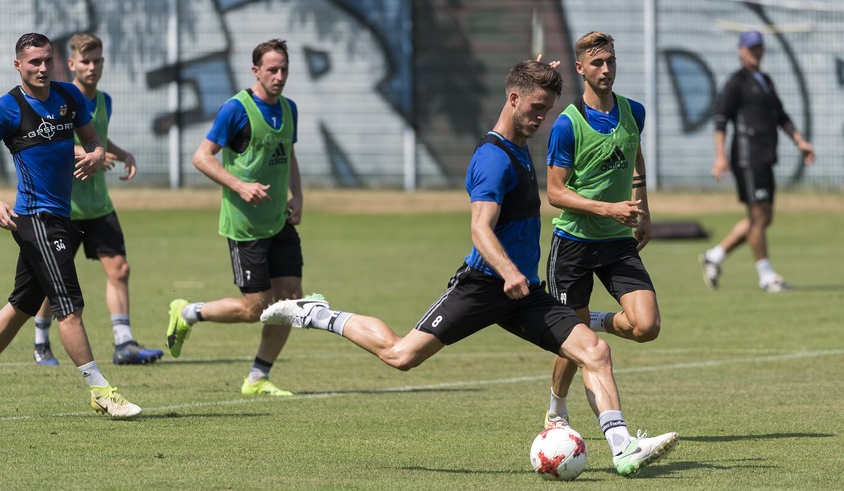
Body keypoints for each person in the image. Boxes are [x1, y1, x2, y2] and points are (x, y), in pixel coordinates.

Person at [261, 58, 678, 477]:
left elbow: (530, 87)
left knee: (595, 351)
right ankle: (318, 313)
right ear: (512, 99)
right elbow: (480, 229)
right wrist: (508, 271)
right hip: (481, 286)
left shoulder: (519, 142)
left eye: (547, 109)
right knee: (401, 355)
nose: (541, 117)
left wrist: (540, 72)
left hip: (524, 294)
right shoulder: (492, 158)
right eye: (535, 107)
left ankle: (623, 448)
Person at [0, 33, 141, 419]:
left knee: (23, 303)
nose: (43, 68)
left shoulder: (69, 98)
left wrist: (97, 156)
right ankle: (100, 390)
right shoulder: (5, 109)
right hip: (34, 218)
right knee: (69, 306)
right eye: (34, 62)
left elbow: (94, 141)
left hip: (61, 217)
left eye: (47, 60)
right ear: (19, 65)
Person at [165, 39, 305, 397]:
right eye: (272, 69)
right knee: (254, 308)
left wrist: (298, 195)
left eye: (284, 69)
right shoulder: (236, 109)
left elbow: (287, 152)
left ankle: (258, 377)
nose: (279, 76)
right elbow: (202, 157)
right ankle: (188, 313)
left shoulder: (289, 109)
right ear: (255, 70)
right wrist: (240, 186)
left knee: (290, 302)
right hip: (245, 227)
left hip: (279, 221)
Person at [542, 31, 660, 430]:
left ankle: (589, 318)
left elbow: (635, 154)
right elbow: (555, 194)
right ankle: (556, 408)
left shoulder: (634, 112)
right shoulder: (567, 125)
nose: (606, 69)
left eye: (610, 60)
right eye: (597, 63)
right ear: (580, 69)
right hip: (573, 243)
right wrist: (608, 207)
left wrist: (642, 208)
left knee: (647, 327)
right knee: (573, 345)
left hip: (616, 243)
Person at [32, 32, 164, 367]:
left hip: (99, 206)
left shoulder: (104, 100)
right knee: (53, 280)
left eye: (98, 60)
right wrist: (85, 153)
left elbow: (98, 136)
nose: (92, 67)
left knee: (120, 269)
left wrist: (121, 153)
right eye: (85, 61)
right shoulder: (59, 98)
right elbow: (50, 141)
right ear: (72, 64)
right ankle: (40, 341)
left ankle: (124, 344)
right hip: (64, 205)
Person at [699, 29, 815, 292]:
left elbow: (781, 115)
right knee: (757, 217)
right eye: (751, 47)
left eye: (759, 47)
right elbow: (720, 120)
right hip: (747, 158)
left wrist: (800, 141)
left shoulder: (765, 80)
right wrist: (720, 157)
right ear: (741, 50)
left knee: (762, 219)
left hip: (765, 157)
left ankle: (715, 255)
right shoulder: (736, 82)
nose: (756, 51)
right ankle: (766, 277)